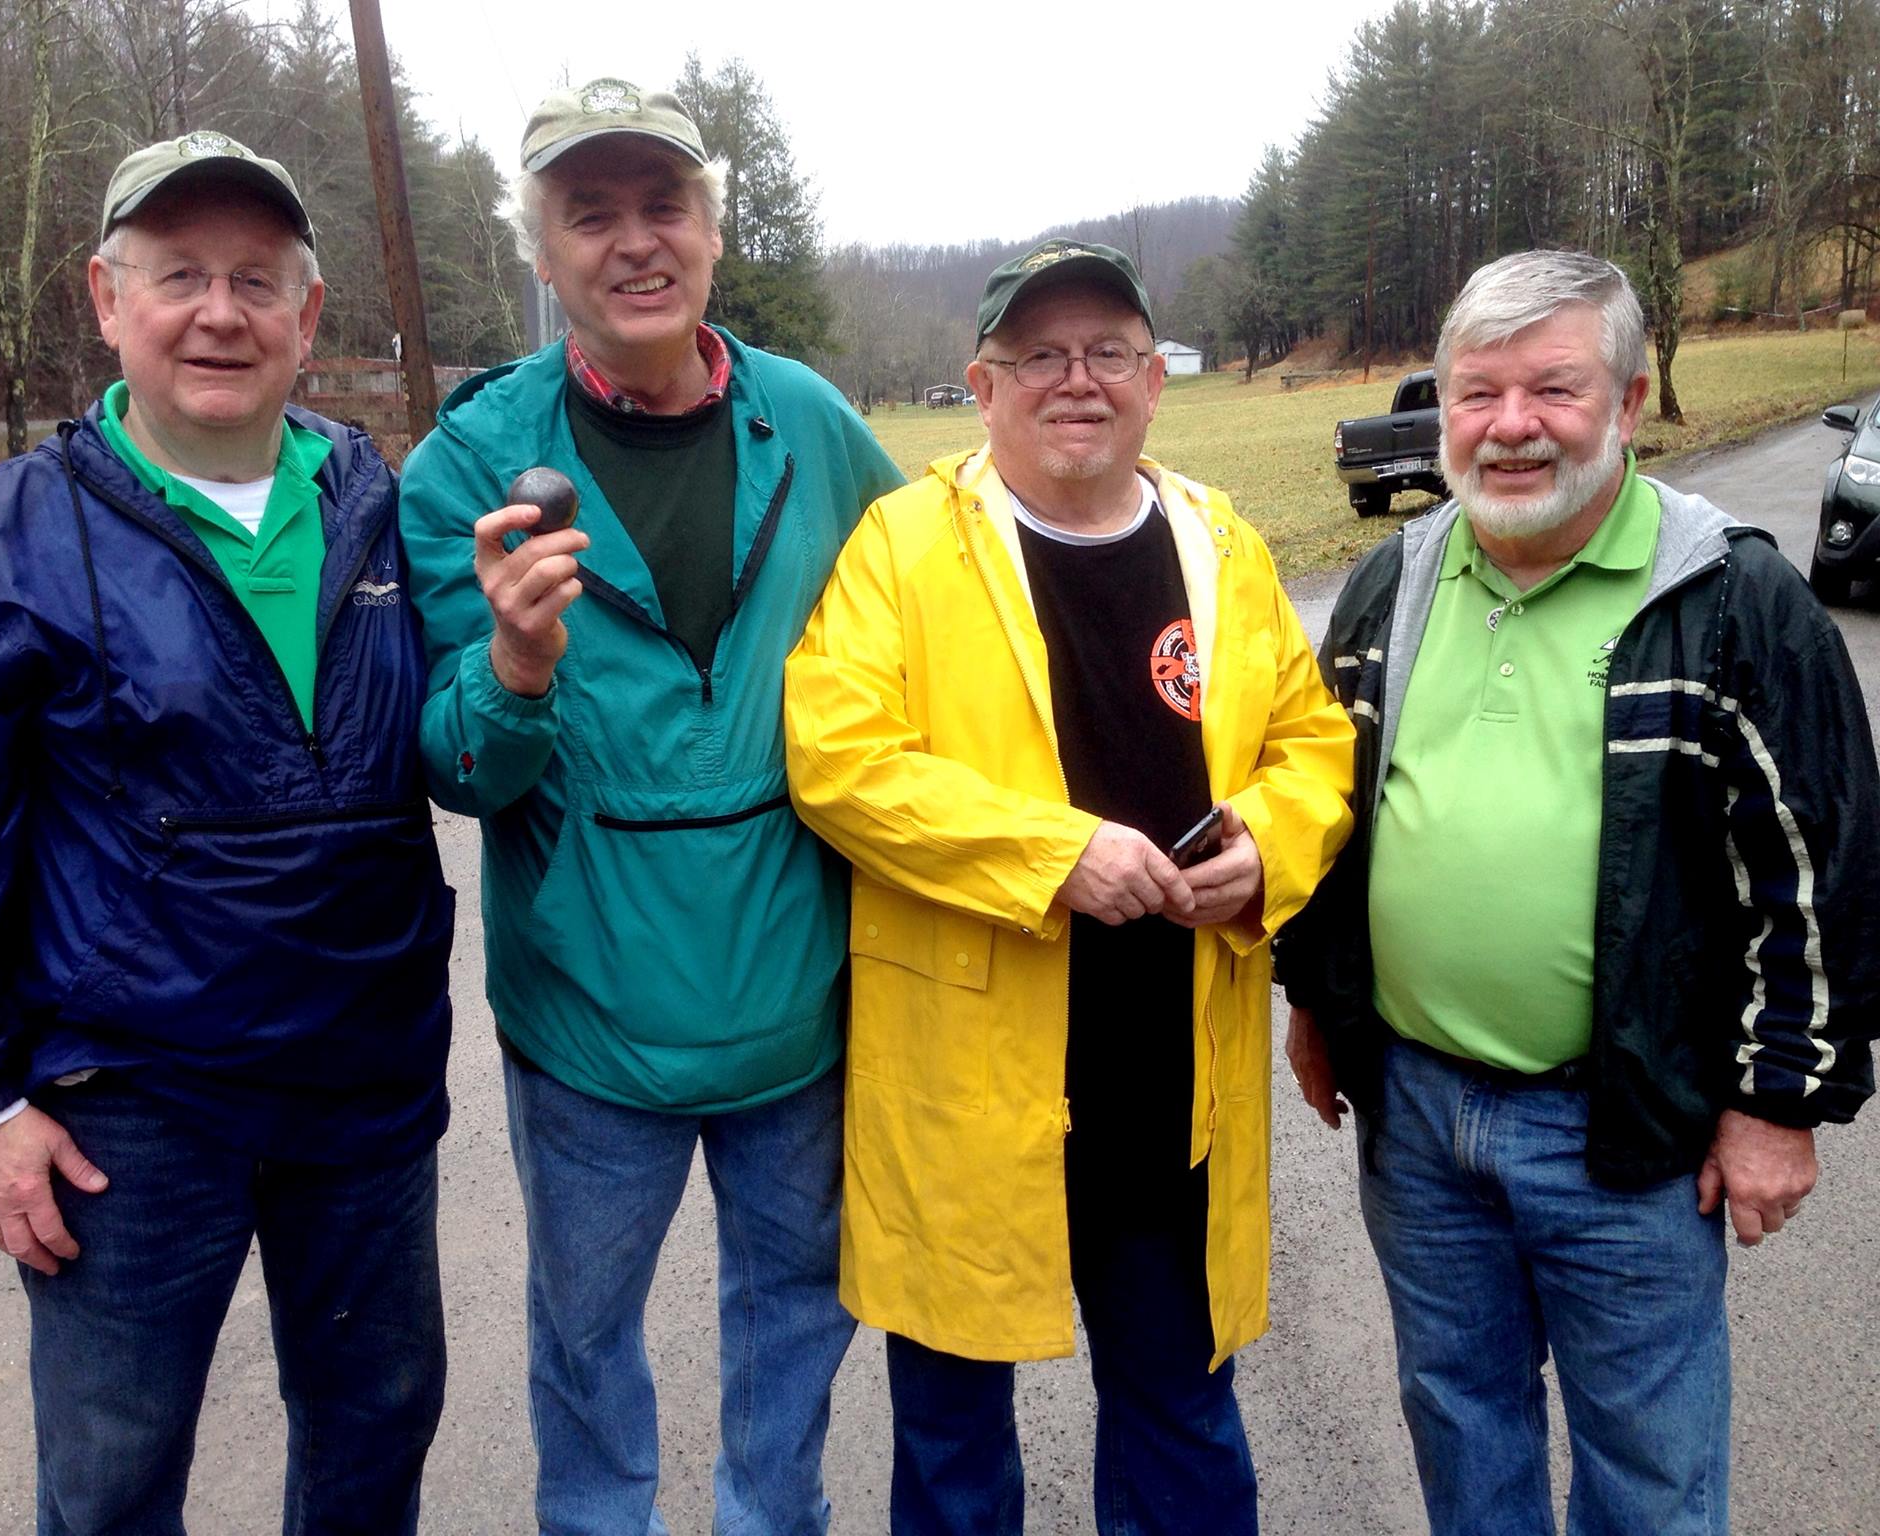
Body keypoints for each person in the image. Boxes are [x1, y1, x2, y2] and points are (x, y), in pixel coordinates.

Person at [0, 131, 454, 1534]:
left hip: (364, 1089)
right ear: (106, 298)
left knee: (374, 1440)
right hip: (129, 1108)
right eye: (179, 274)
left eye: (256, 279)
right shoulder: (11, 533)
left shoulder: (380, 508)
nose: (220, 312)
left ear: (308, 316)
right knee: (115, 1477)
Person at [1276, 249, 1880, 1534]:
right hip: (1419, 1120)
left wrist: (1780, 1102)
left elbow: (1812, 876)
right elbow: (1333, 814)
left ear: (1628, 395)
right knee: (1459, 1422)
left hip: (1621, 1128)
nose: (1506, 427)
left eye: (1549, 389)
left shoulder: (1730, 600)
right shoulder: (1395, 582)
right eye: (1472, 393)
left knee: (1648, 1471)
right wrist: (1320, 1003)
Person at [783, 239, 1355, 1534]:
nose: (1075, 380)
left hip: (1172, 1091)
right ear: (983, 388)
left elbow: (1313, 744)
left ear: (1157, 380)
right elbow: (838, 761)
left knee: (1182, 1421)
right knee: (950, 1445)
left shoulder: (1221, 547)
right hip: (972, 1097)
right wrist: (1054, 854)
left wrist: (1271, 844)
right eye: (1039, 355)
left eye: (1106, 352)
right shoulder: (904, 549)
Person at [398, 78, 902, 1535]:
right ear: (540, 252)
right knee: (583, 1345)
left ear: (713, 228)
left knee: (796, 1326)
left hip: (799, 1009)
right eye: (590, 212)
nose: (634, 242)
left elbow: (934, 622)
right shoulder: (472, 470)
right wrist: (514, 665)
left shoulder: (808, 422)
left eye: (663, 203)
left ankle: (770, 1519)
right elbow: (454, 770)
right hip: (588, 1032)